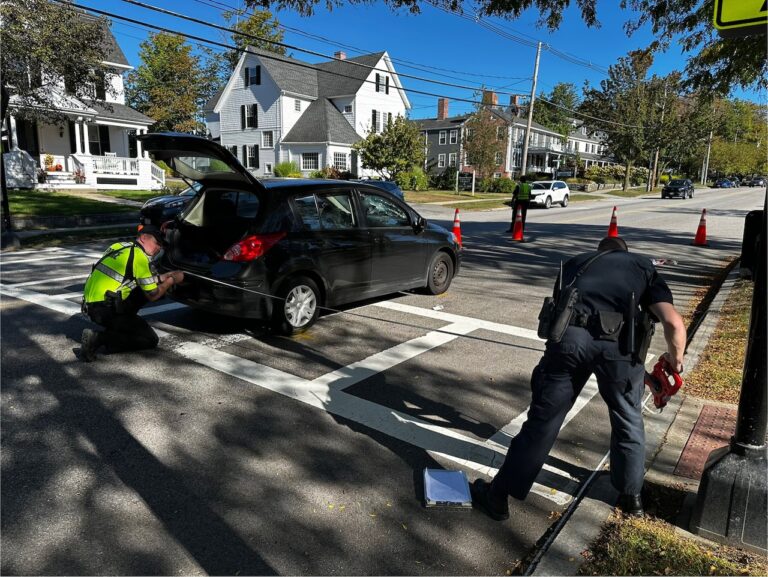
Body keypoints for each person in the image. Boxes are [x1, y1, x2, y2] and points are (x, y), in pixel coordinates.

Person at [471, 236, 686, 519]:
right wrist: (676, 361)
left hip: (569, 344)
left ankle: (498, 497)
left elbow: (559, 311)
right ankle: (632, 499)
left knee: (542, 421)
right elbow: (673, 322)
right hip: (620, 351)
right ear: (625, 252)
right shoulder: (642, 266)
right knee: (627, 419)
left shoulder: (575, 263)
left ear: (598, 252)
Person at [79, 225, 184, 362]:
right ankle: (97, 338)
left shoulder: (119, 246)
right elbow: (153, 294)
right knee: (149, 339)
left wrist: (164, 277)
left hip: (90, 307)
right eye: (157, 243)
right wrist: (171, 280)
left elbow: (136, 278)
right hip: (106, 311)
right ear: (143, 238)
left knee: (141, 289)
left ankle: (119, 328)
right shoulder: (140, 258)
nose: (159, 248)